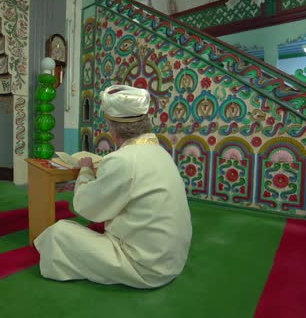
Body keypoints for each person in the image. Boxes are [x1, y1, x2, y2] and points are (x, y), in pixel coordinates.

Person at [34, 85, 192, 289]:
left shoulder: (123, 160)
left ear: (113, 129)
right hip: (173, 261)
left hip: (146, 267)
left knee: (58, 233)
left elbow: (87, 208)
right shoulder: (161, 153)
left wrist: (85, 171)